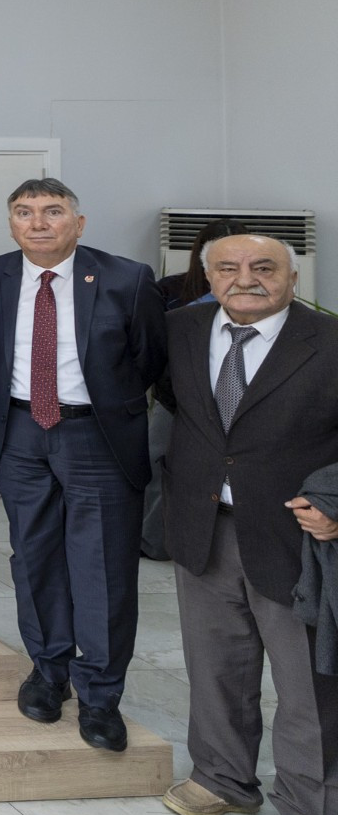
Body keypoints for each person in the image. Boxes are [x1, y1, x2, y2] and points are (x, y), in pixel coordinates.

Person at [159, 234, 338, 815]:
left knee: (306, 678)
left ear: (292, 276)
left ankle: (315, 808)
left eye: (264, 267)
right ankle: (221, 779)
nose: (246, 279)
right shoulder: (180, 331)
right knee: (216, 665)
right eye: (228, 268)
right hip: (203, 522)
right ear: (207, 278)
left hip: (298, 534)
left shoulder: (329, 341)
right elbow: (181, 409)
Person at [0, 178, 167, 751]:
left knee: (102, 565)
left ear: (78, 224)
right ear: (11, 224)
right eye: (24, 212)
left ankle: (101, 694)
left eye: (52, 211)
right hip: (18, 432)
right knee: (33, 556)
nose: (38, 223)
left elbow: (151, 360)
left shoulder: (126, 278)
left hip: (96, 436)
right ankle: (48, 671)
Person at [145, 218, 250, 559]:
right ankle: (152, 541)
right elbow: (153, 347)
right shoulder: (171, 290)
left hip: (232, 404)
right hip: (173, 400)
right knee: (156, 467)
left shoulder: (256, 293)